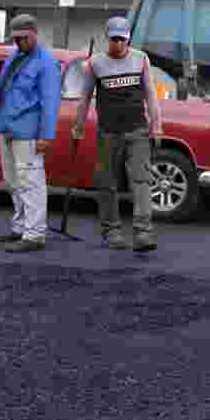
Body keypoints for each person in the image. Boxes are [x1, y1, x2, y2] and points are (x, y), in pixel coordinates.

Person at [72, 16, 163, 252]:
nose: (119, 44)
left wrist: (157, 125)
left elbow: (151, 95)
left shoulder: (141, 59)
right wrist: (79, 126)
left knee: (141, 180)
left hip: (138, 131)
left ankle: (143, 232)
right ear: (107, 38)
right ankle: (111, 230)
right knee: (107, 182)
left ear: (128, 39)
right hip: (108, 132)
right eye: (114, 39)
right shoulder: (95, 64)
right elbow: (84, 98)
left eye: (123, 39)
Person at [0, 14, 62, 253]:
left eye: (24, 38)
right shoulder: (13, 57)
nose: (19, 43)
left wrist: (46, 136)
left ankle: (35, 233)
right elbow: (1, 89)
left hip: (28, 132)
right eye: (16, 39)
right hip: (6, 128)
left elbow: (51, 102)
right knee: (13, 182)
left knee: (31, 182)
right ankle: (20, 227)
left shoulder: (46, 63)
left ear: (34, 34)